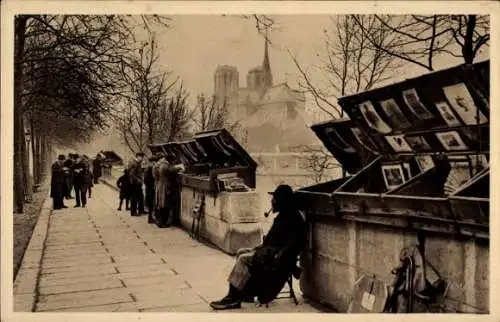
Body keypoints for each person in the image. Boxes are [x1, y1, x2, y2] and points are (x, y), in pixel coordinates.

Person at [209, 184, 306, 310]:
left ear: (282, 200)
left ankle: (232, 298)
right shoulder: (285, 215)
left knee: (243, 259)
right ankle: (243, 293)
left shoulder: (292, 219)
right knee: (241, 252)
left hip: (276, 259)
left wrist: (267, 251)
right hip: (271, 253)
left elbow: (291, 246)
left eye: (274, 199)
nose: (272, 202)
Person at [153, 154, 170, 227]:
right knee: (164, 204)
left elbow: (155, 177)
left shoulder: (156, 166)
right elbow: (170, 174)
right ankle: (162, 223)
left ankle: (158, 221)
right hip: (165, 186)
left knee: (159, 204)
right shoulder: (165, 165)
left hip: (159, 185)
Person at [127, 152, 146, 216]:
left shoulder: (137, 163)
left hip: (136, 183)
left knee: (140, 197)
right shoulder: (135, 163)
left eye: (142, 157)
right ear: (138, 156)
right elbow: (132, 174)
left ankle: (141, 210)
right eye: (141, 157)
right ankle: (133, 212)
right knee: (135, 198)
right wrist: (138, 180)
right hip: (134, 183)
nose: (142, 158)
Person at [144, 156, 158, 221]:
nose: (155, 163)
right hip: (150, 188)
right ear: (153, 162)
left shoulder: (147, 168)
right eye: (155, 162)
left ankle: (150, 218)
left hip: (148, 188)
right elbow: (147, 180)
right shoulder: (150, 168)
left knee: (150, 204)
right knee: (151, 204)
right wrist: (152, 186)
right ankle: (150, 218)